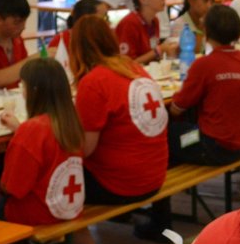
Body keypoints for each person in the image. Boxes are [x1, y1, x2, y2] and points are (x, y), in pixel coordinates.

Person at [0, 59, 107, 244]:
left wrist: (20, 136)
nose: (22, 90)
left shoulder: (32, 131)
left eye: (23, 86)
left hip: (41, 212)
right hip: (67, 205)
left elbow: (13, 188)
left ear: (33, 91)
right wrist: (21, 130)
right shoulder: (69, 121)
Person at [68, 16, 169, 204]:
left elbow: (85, 149)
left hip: (120, 185)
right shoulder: (134, 67)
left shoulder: (93, 82)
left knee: (53, 174)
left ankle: (77, 233)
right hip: (155, 177)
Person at [168, 5, 240, 165]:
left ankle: (168, 185)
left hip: (211, 145)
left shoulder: (204, 65)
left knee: (170, 134)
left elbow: (177, 107)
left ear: (206, 32)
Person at [116, 0, 165, 64]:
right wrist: (159, 50)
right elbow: (127, 64)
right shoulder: (129, 24)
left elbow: (153, 55)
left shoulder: (154, 20)